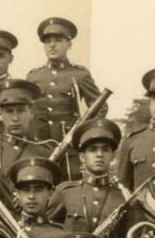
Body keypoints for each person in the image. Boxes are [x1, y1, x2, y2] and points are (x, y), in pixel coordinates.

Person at [53, 118, 130, 238]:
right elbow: (50, 236)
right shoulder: (64, 192)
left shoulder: (124, 197)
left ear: (112, 156)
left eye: (105, 149)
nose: (99, 154)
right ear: (82, 157)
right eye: (92, 150)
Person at [26, 17, 105, 154]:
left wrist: (82, 133)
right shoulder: (33, 76)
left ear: (69, 44)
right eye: (47, 41)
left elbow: (100, 106)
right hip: (37, 145)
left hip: (69, 148)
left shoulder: (80, 75)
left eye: (58, 40)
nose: (52, 45)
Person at [0, 79, 57, 179]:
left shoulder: (45, 152)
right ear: (0, 115)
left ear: (31, 112)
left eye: (21, 111)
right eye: (9, 111)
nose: (15, 118)